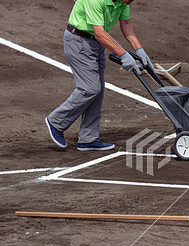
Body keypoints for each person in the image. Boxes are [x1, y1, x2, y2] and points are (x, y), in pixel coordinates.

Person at [45, 0, 153, 151]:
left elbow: (126, 24)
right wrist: (122, 54)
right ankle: (56, 122)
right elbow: (99, 32)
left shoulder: (123, 1)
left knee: (98, 91)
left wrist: (139, 49)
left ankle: (88, 139)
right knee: (90, 89)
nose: (130, 1)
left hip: (97, 44)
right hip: (78, 42)